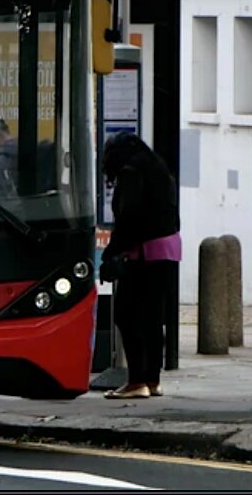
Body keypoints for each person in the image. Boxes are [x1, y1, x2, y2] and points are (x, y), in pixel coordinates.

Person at [100, 131, 181, 399]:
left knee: (127, 314)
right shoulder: (158, 167)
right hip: (168, 252)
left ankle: (136, 381)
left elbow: (128, 218)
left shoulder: (131, 172)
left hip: (143, 255)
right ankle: (152, 380)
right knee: (154, 319)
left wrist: (111, 252)